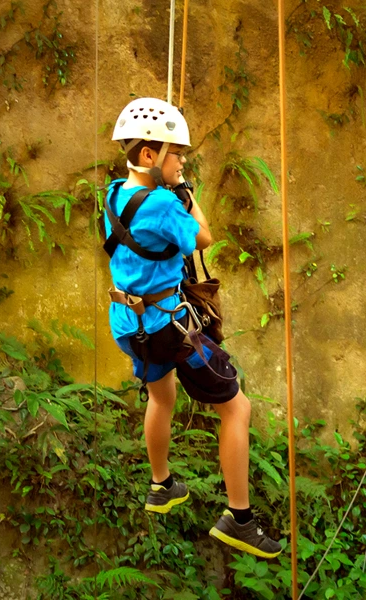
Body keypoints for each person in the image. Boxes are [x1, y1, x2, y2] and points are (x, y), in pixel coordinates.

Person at [104, 97, 282, 559]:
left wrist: (173, 184)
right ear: (149, 155)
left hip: (128, 324)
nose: (182, 162)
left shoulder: (114, 194)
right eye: (177, 154)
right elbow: (203, 236)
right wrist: (185, 190)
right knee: (237, 408)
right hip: (168, 327)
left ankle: (160, 485)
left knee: (162, 397)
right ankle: (239, 519)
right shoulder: (164, 203)